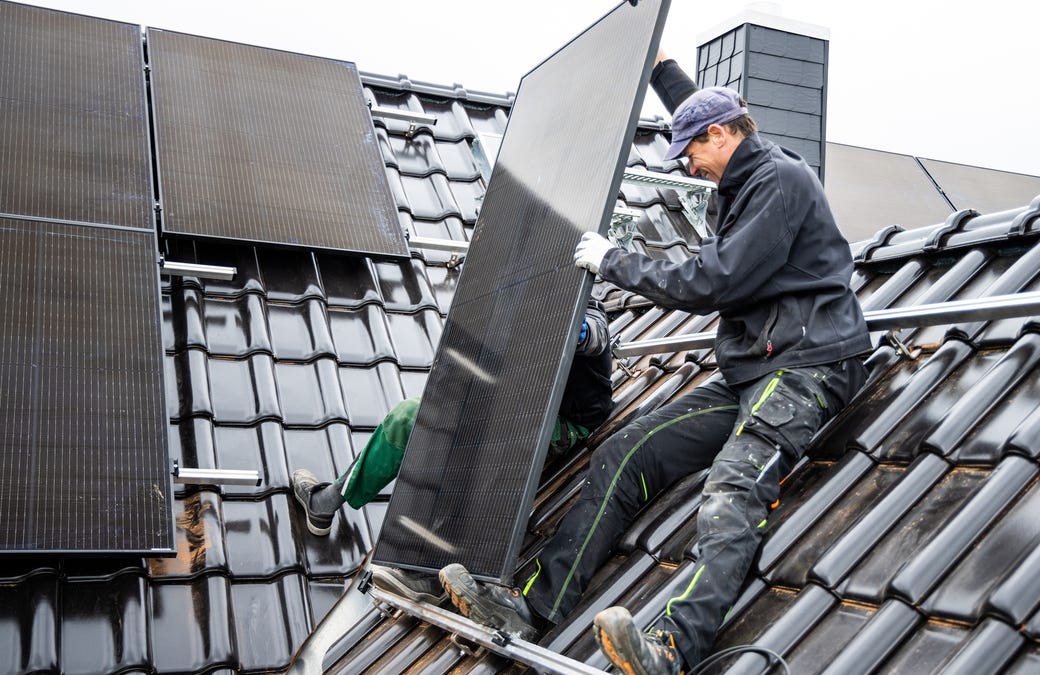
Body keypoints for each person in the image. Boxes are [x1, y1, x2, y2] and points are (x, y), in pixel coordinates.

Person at [437, 52, 871, 675]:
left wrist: (614, 261)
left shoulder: (779, 181)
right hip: (754, 367)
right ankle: (531, 607)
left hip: (807, 368)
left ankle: (670, 648)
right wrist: (660, 67)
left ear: (722, 136)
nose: (686, 166)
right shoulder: (740, 171)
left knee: (731, 491)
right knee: (628, 449)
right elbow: (704, 112)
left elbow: (715, 279)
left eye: (691, 151)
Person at [290, 298, 613, 603]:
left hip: (563, 420)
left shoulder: (583, 303)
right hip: (504, 400)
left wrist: (576, 328)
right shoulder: (511, 298)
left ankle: (434, 568)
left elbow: (594, 333)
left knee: (493, 433)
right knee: (410, 414)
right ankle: (327, 501)